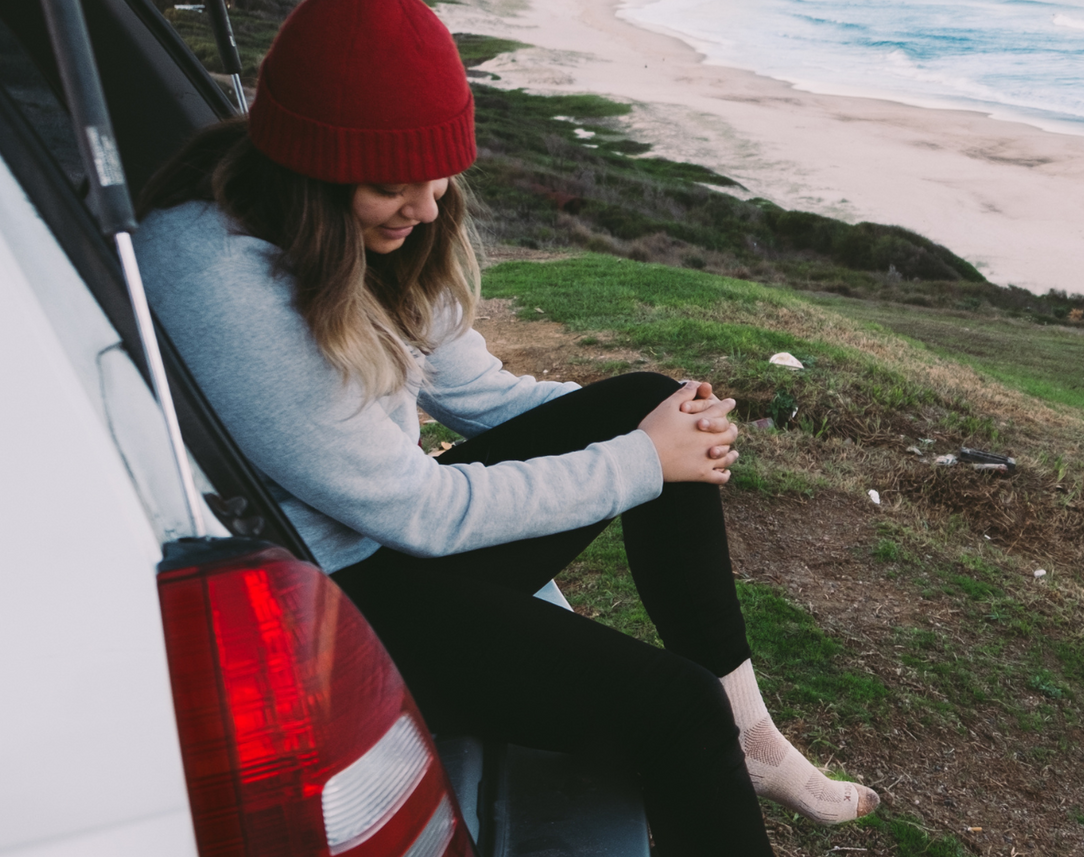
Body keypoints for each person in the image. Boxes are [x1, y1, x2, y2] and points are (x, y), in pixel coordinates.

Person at [130, 0, 875, 852]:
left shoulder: (375, 225)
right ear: (310, 169)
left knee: (652, 396)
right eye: (392, 186)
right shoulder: (220, 279)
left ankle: (753, 733)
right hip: (340, 601)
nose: (425, 205)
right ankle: (722, 731)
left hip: (389, 538)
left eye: (438, 174)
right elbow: (423, 509)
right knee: (674, 707)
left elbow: (479, 393)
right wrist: (638, 462)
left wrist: (666, 428)